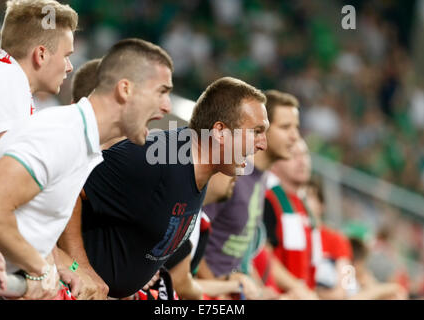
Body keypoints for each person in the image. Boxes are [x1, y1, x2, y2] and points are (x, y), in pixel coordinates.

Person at [0, 38, 173, 300]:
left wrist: (58, 263)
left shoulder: (80, 141)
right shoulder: (61, 135)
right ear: (125, 89)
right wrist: (38, 267)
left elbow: (27, 216)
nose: (167, 106)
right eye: (161, 91)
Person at [58, 76, 269, 298]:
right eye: (256, 131)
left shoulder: (198, 170)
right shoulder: (154, 159)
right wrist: (78, 266)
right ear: (219, 132)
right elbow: (68, 184)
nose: (262, 143)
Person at [196, 89, 300, 300]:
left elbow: (239, 250)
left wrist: (260, 291)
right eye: (285, 127)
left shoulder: (260, 178)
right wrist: (221, 290)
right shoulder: (230, 174)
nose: (295, 136)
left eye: (296, 127)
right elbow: (192, 236)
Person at [0, 0, 76, 166]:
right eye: (66, 55)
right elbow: (15, 168)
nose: (70, 67)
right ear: (41, 55)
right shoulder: (9, 78)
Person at [262, 138, 319, 299]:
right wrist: (297, 288)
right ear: (274, 164)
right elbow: (264, 256)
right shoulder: (269, 199)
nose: (302, 162)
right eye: (293, 155)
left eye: (305, 154)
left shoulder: (304, 206)